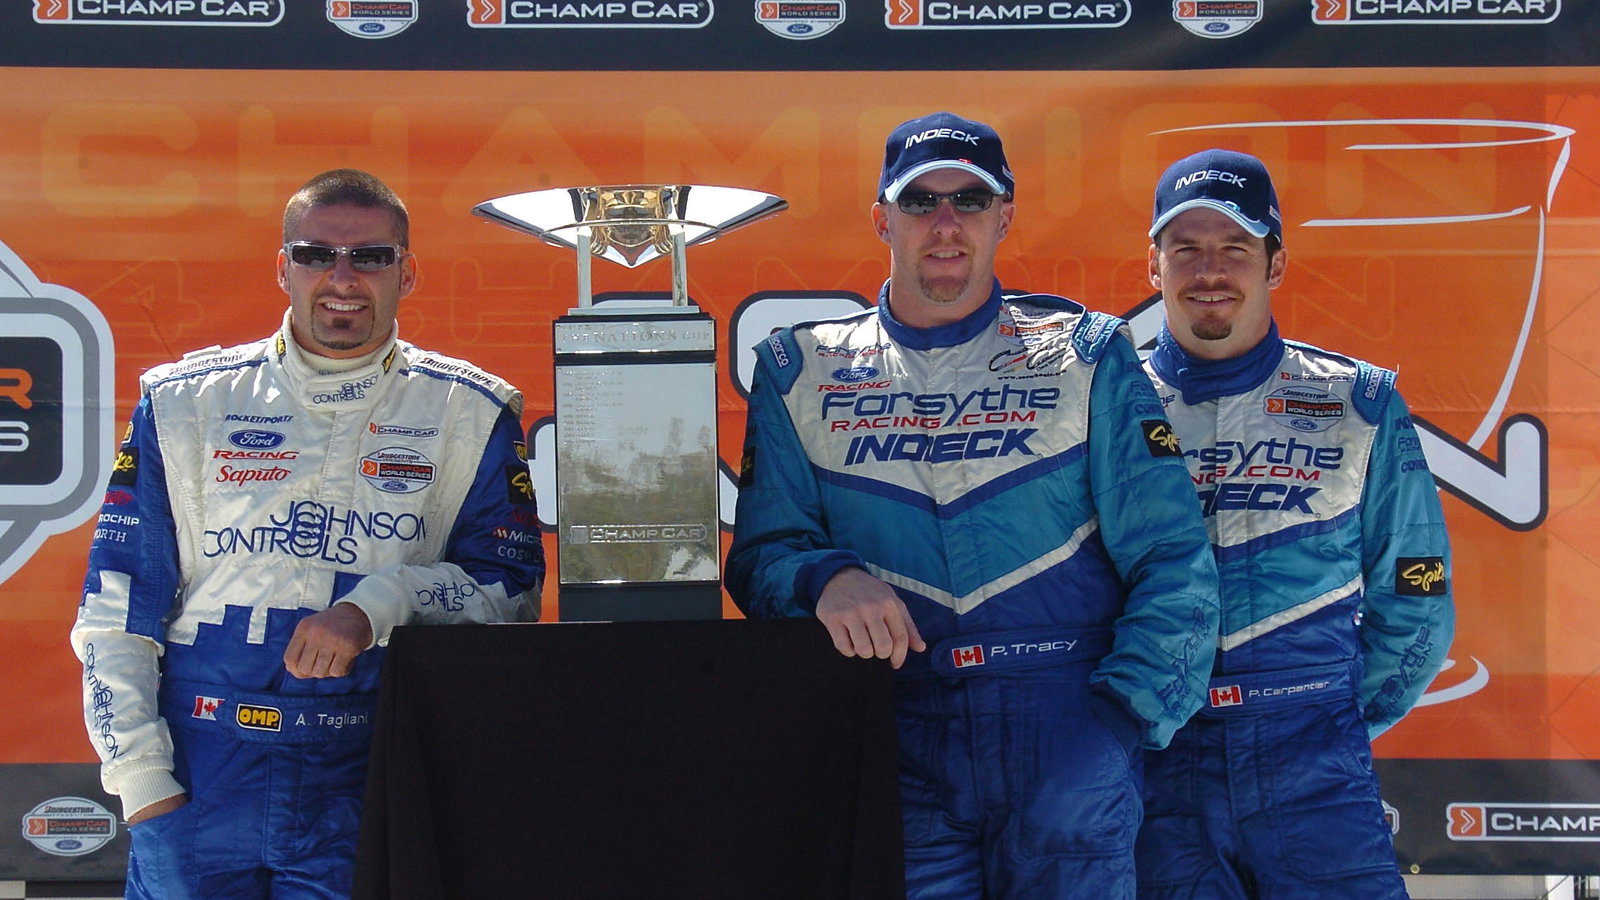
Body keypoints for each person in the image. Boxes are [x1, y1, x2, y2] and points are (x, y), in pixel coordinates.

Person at [725, 111, 1221, 899]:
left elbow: (1174, 561)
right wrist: (824, 578)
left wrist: (1122, 723)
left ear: (1004, 217)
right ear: (882, 220)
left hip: (1064, 717)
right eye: (921, 202)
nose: (946, 223)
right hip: (896, 729)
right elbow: (761, 557)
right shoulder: (800, 370)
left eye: (971, 200)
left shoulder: (1086, 355)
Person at [71, 169, 545, 900]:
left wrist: (377, 605)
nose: (343, 278)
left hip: (365, 769)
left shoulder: (470, 411)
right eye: (317, 255)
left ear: (406, 273)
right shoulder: (184, 403)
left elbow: (510, 593)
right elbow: (116, 610)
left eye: (371, 257)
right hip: (199, 774)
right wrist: (140, 780)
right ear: (283, 268)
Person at [1134, 148, 1454, 899]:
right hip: (1158, 759)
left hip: (1313, 761)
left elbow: (1418, 598)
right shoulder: (1105, 403)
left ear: (1276, 264)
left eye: (1235, 248)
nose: (1210, 271)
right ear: (1154, 266)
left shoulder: (1359, 403)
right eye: (1186, 248)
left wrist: (1328, 718)